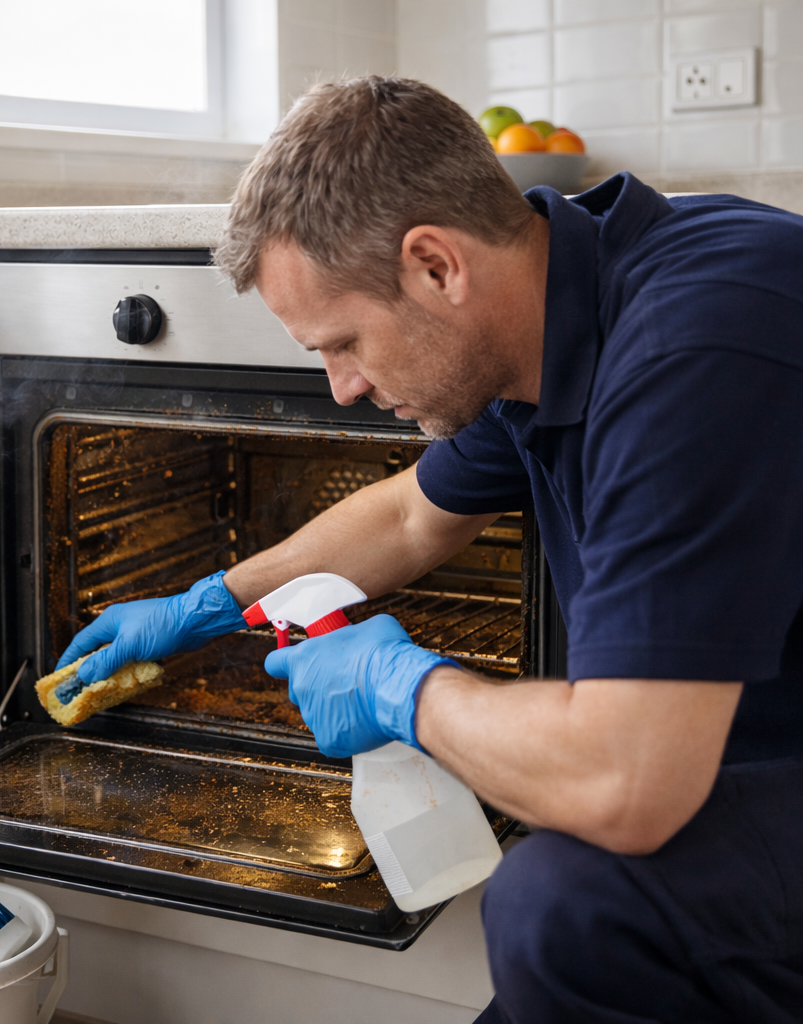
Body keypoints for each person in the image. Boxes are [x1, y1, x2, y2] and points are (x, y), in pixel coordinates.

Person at [56, 77, 803, 1022]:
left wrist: (402, 688)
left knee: (559, 903)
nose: (342, 388)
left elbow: (627, 784)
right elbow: (412, 515)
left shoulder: (694, 349)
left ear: (435, 267)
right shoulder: (541, 324)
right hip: (737, 766)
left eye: (344, 343)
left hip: (741, 774)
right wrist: (206, 604)